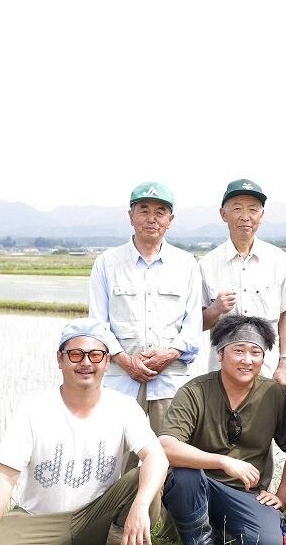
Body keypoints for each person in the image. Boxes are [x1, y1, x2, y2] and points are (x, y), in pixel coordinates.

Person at [0, 318, 168, 545]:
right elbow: (5, 476)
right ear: (60, 359)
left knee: (142, 479)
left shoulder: (124, 407)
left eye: (95, 355)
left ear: (107, 361)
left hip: (95, 517)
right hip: (40, 521)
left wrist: (140, 506)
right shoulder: (33, 410)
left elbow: (157, 457)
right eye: (76, 354)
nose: (86, 362)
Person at [158, 315, 286, 545]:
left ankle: (222, 532)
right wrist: (223, 462)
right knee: (184, 475)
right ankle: (199, 540)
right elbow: (165, 445)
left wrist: (281, 495)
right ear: (220, 354)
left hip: (247, 493)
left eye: (255, 352)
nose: (247, 360)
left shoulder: (273, 394)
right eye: (238, 351)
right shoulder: (195, 391)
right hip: (201, 486)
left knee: (269, 541)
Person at [88, 181, 202, 435]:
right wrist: (125, 361)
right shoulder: (107, 263)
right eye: (144, 210)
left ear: (170, 220)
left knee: (171, 452)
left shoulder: (187, 264)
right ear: (131, 216)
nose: (152, 218)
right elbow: (98, 324)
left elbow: (193, 324)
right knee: (118, 453)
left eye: (160, 212)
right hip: (120, 381)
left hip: (171, 382)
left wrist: (169, 355)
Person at [200, 179, 286, 388]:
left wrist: (284, 364)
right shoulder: (206, 264)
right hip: (221, 375)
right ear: (223, 214)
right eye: (237, 209)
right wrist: (215, 309)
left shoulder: (278, 259)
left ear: (261, 216)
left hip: (268, 371)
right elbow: (197, 323)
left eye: (253, 209)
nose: (245, 216)